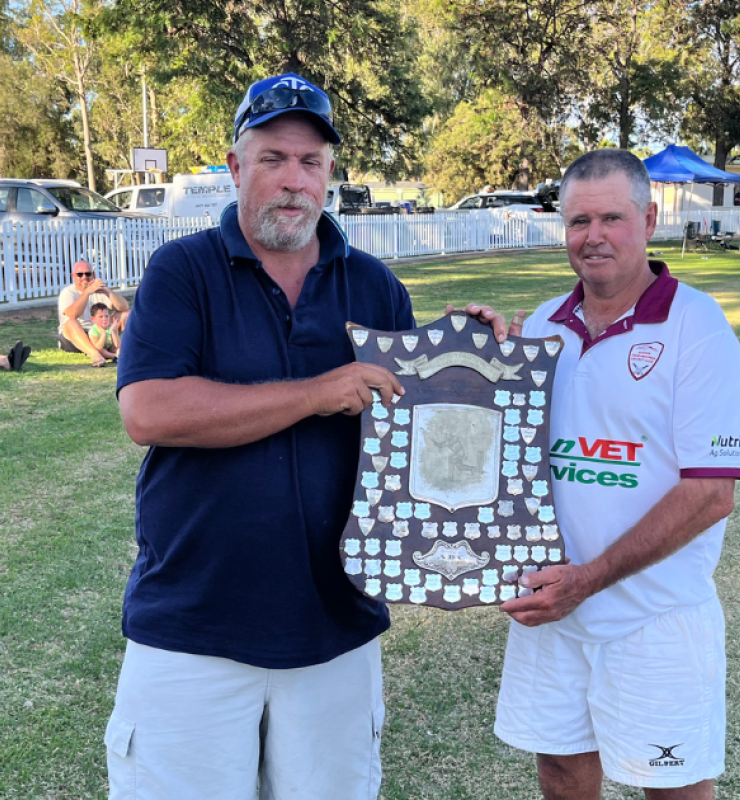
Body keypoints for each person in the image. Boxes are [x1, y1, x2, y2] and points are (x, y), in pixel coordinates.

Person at [106, 73, 507, 800]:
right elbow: (150, 412)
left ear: (330, 176)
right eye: (273, 159)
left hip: (335, 625)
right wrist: (319, 392)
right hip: (193, 623)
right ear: (235, 168)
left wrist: (469, 360)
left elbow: (416, 428)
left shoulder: (375, 285)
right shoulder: (182, 271)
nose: (294, 181)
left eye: (311, 163)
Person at [496, 149, 740, 800]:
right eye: (578, 221)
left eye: (612, 217)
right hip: (552, 611)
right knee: (560, 774)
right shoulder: (543, 326)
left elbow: (710, 494)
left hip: (653, 619)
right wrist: (478, 361)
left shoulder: (698, 327)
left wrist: (588, 581)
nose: (594, 237)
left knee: (672, 789)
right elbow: (505, 452)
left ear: (649, 218)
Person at [57, 259, 129, 367]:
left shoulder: (100, 291)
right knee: (70, 322)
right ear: (73, 276)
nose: (84, 277)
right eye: (80, 275)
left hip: (99, 333)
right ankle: (97, 356)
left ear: (93, 274)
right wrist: (87, 292)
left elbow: (124, 307)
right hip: (77, 336)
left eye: (88, 274)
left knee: (126, 315)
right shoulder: (68, 293)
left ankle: (113, 350)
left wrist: (108, 291)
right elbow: (72, 314)